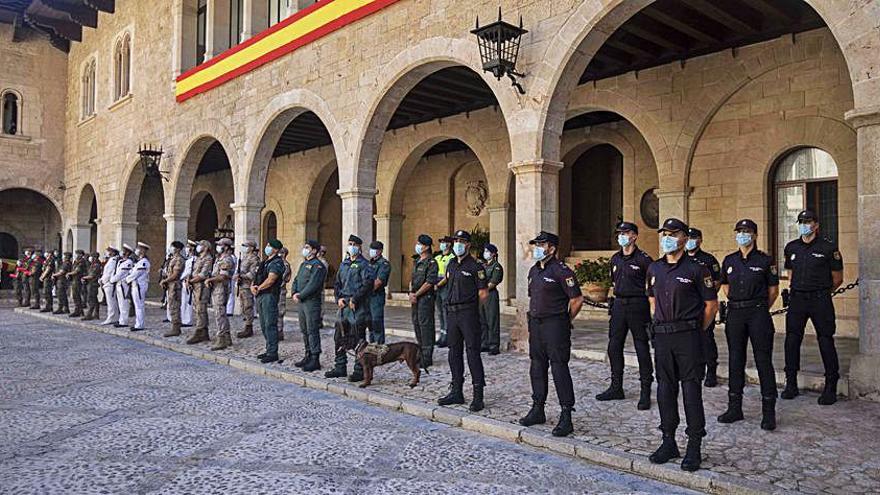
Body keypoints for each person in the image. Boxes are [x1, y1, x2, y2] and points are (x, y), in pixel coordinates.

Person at [647, 218, 719, 472]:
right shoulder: (654, 268)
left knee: (690, 390)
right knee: (665, 389)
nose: (667, 238)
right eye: (664, 233)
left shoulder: (697, 269)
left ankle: (694, 445)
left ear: (684, 237)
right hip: (663, 336)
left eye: (672, 233)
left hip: (688, 336)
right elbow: (653, 301)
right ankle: (668, 441)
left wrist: (696, 329)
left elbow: (711, 305)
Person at [518, 231, 583, 436]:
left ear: (552, 249)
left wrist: (565, 320)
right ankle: (538, 408)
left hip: (555, 325)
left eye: (541, 244)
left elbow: (577, 299)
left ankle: (566, 414)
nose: (537, 247)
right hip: (536, 325)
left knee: (558, 368)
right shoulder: (534, 271)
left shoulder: (562, 271)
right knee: (537, 366)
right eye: (536, 244)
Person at [718, 219, 779, 430]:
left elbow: (773, 291)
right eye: (739, 231)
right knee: (735, 359)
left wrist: (759, 307)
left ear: (754, 235)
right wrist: (738, 303)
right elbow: (724, 285)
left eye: (746, 231)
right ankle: (735, 407)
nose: (742, 235)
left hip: (758, 313)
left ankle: (768, 412)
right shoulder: (729, 260)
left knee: (763, 360)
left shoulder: (765, 261)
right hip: (736, 313)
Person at [782, 209, 844, 405]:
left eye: (808, 221)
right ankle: (790, 383)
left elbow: (838, 278)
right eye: (801, 221)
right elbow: (790, 274)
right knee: (792, 340)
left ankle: (831, 386)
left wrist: (821, 291)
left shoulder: (828, 248)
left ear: (816, 225)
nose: (804, 224)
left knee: (825, 340)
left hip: (820, 299)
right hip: (798, 299)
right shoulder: (791, 247)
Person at [596, 221, 654, 409]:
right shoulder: (615, 259)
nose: (622, 236)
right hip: (619, 305)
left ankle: (645, 391)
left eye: (626, 232)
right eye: (619, 233)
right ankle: (616, 386)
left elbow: (653, 286)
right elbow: (614, 283)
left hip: (638, 305)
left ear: (634, 236)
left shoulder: (644, 259)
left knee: (641, 348)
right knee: (614, 346)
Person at [437, 230, 489, 412]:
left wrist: (472, 308)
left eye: (460, 241)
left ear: (468, 244)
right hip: (452, 313)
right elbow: (447, 282)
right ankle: (456, 390)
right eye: (455, 241)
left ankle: (478, 395)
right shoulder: (451, 264)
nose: (457, 244)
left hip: (468, 313)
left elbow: (483, 293)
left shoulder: (476, 267)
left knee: (473, 353)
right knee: (454, 352)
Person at [326, 234, 372, 381]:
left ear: (359, 247)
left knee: (358, 337)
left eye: (354, 244)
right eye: (349, 243)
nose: (351, 246)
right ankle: (340, 366)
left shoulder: (364, 264)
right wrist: (338, 298)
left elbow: (367, 284)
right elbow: (337, 283)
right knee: (339, 336)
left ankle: (360, 369)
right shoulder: (344, 264)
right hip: (343, 306)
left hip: (357, 307)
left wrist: (355, 298)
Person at [685, 227, 722, 387]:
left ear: (700, 240)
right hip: (687, 308)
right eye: (688, 237)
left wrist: (707, 297)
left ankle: (711, 371)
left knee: (706, 338)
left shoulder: (708, 260)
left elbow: (717, 282)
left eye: (693, 238)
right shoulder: (681, 258)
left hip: (703, 306)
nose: (690, 241)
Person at [292, 239, 327, 371]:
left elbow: (313, 284)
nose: (305, 249)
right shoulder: (304, 264)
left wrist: (301, 295)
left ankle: (315, 358)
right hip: (302, 302)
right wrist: (294, 292)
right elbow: (296, 279)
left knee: (312, 330)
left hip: (311, 302)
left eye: (307, 247)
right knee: (304, 329)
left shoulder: (318, 266)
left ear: (314, 250)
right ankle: (307, 354)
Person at [252, 239, 286, 363]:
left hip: (269, 295)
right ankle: (268, 349)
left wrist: (259, 288)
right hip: (261, 295)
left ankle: (273, 352)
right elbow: (257, 277)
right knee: (263, 324)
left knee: (270, 324)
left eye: (269, 246)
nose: (267, 247)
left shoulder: (277, 262)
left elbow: (271, 279)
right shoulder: (265, 262)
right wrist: (253, 286)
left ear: (276, 249)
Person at [410, 234, 439, 367]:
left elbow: (429, 282)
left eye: (420, 244)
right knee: (416, 324)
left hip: (425, 299)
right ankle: (420, 352)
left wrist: (416, 294)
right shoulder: (417, 262)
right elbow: (412, 280)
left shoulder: (431, 263)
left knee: (425, 326)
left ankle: (427, 356)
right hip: (415, 298)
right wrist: (411, 293)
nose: (417, 246)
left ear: (426, 247)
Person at [206, 238, 235, 350]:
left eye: (220, 245)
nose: (218, 246)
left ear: (226, 247)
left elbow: (223, 276)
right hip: (216, 288)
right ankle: (227, 337)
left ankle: (221, 337)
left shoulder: (227, 259)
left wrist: (210, 280)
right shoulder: (220, 258)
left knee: (220, 313)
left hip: (221, 288)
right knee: (220, 312)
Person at [187, 240, 214, 345]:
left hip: (202, 287)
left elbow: (203, 274)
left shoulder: (208, 259)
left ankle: (200, 331)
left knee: (201, 309)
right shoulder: (198, 258)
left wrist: (191, 281)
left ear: (206, 247)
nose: (199, 247)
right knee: (197, 309)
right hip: (195, 287)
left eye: (201, 245)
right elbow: (194, 271)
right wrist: (189, 279)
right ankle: (203, 331)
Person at [479, 243, 504, 355]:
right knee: (482, 320)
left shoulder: (496, 266)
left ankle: (494, 345)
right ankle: (484, 343)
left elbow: (494, 281)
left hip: (490, 294)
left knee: (492, 320)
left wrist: (483, 289)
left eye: (487, 251)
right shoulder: (484, 266)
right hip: (481, 295)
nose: (485, 253)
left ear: (493, 254)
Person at [366, 240, 391, 344]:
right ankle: (372, 345)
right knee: (370, 323)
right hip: (367, 296)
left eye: (375, 249)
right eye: (371, 249)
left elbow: (378, 282)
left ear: (380, 251)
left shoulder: (384, 264)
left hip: (376, 296)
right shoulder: (369, 263)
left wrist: (364, 289)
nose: (372, 251)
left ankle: (379, 346)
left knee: (377, 322)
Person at [236, 240, 260, 338]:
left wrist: (241, 276)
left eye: (245, 246)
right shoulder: (244, 257)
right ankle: (246, 324)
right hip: (242, 285)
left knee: (248, 306)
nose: (243, 247)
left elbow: (253, 273)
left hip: (248, 286)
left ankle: (249, 327)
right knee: (243, 306)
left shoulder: (254, 259)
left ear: (251, 247)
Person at [433, 236, 455, 347]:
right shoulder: (437, 257)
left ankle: (448, 337)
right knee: (440, 312)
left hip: (445, 287)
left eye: (443, 242)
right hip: (436, 287)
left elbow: (448, 275)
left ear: (449, 244)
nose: (441, 244)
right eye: (441, 242)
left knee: (446, 312)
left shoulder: (452, 257)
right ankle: (442, 334)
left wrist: (438, 285)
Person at [161, 241, 186, 337]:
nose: (171, 248)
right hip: (170, 285)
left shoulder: (179, 259)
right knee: (171, 306)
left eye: (173, 247)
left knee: (174, 306)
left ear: (178, 249)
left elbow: (175, 274)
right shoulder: (172, 259)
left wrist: (165, 281)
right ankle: (174, 326)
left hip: (175, 286)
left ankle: (176, 327)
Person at [126, 242, 151, 331]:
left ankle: (140, 325)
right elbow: (132, 271)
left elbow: (136, 273)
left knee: (139, 305)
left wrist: (127, 279)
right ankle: (138, 323)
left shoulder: (144, 262)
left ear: (143, 250)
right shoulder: (140, 261)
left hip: (139, 286)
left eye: (139, 248)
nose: (137, 250)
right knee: (137, 305)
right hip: (135, 285)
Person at [112, 244, 135, 328]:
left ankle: (124, 321)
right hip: (119, 284)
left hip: (123, 285)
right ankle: (121, 319)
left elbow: (120, 274)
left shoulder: (128, 262)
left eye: (124, 250)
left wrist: (112, 280)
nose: (122, 252)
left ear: (127, 252)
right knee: (120, 303)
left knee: (124, 303)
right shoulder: (121, 261)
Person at [100, 246, 120, 325]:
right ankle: (115, 317)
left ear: (113, 252)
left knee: (111, 302)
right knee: (112, 301)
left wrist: (103, 280)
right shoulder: (110, 260)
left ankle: (111, 317)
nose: (108, 252)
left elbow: (109, 273)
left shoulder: (113, 261)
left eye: (109, 251)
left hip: (109, 283)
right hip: (107, 283)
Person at [277, 247, 292, 342]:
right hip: (274, 291)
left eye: (282, 253)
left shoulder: (285, 265)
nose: (280, 254)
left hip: (280, 290)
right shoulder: (277, 263)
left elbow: (282, 278)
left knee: (279, 311)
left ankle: (279, 331)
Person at [82, 252, 103, 321]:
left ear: (94, 257)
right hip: (91, 284)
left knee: (90, 299)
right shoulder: (93, 264)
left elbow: (92, 275)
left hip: (93, 284)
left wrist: (84, 277)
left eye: (91, 256)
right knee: (94, 299)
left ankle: (89, 314)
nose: (90, 258)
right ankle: (96, 314)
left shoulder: (96, 265)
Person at [180, 240, 196, 328]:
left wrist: (180, 278)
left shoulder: (193, 259)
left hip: (188, 281)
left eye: (188, 247)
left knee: (188, 301)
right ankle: (183, 319)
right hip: (184, 281)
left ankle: (188, 320)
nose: (186, 249)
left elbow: (188, 272)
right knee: (184, 301)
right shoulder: (188, 259)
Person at [69, 250, 87, 317]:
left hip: (78, 280)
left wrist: (69, 274)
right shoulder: (76, 261)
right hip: (74, 280)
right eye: (76, 254)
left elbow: (77, 271)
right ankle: (78, 310)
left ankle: (79, 311)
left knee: (77, 296)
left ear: (81, 255)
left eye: (78, 254)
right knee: (75, 296)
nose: (77, 255)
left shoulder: (81, 262)